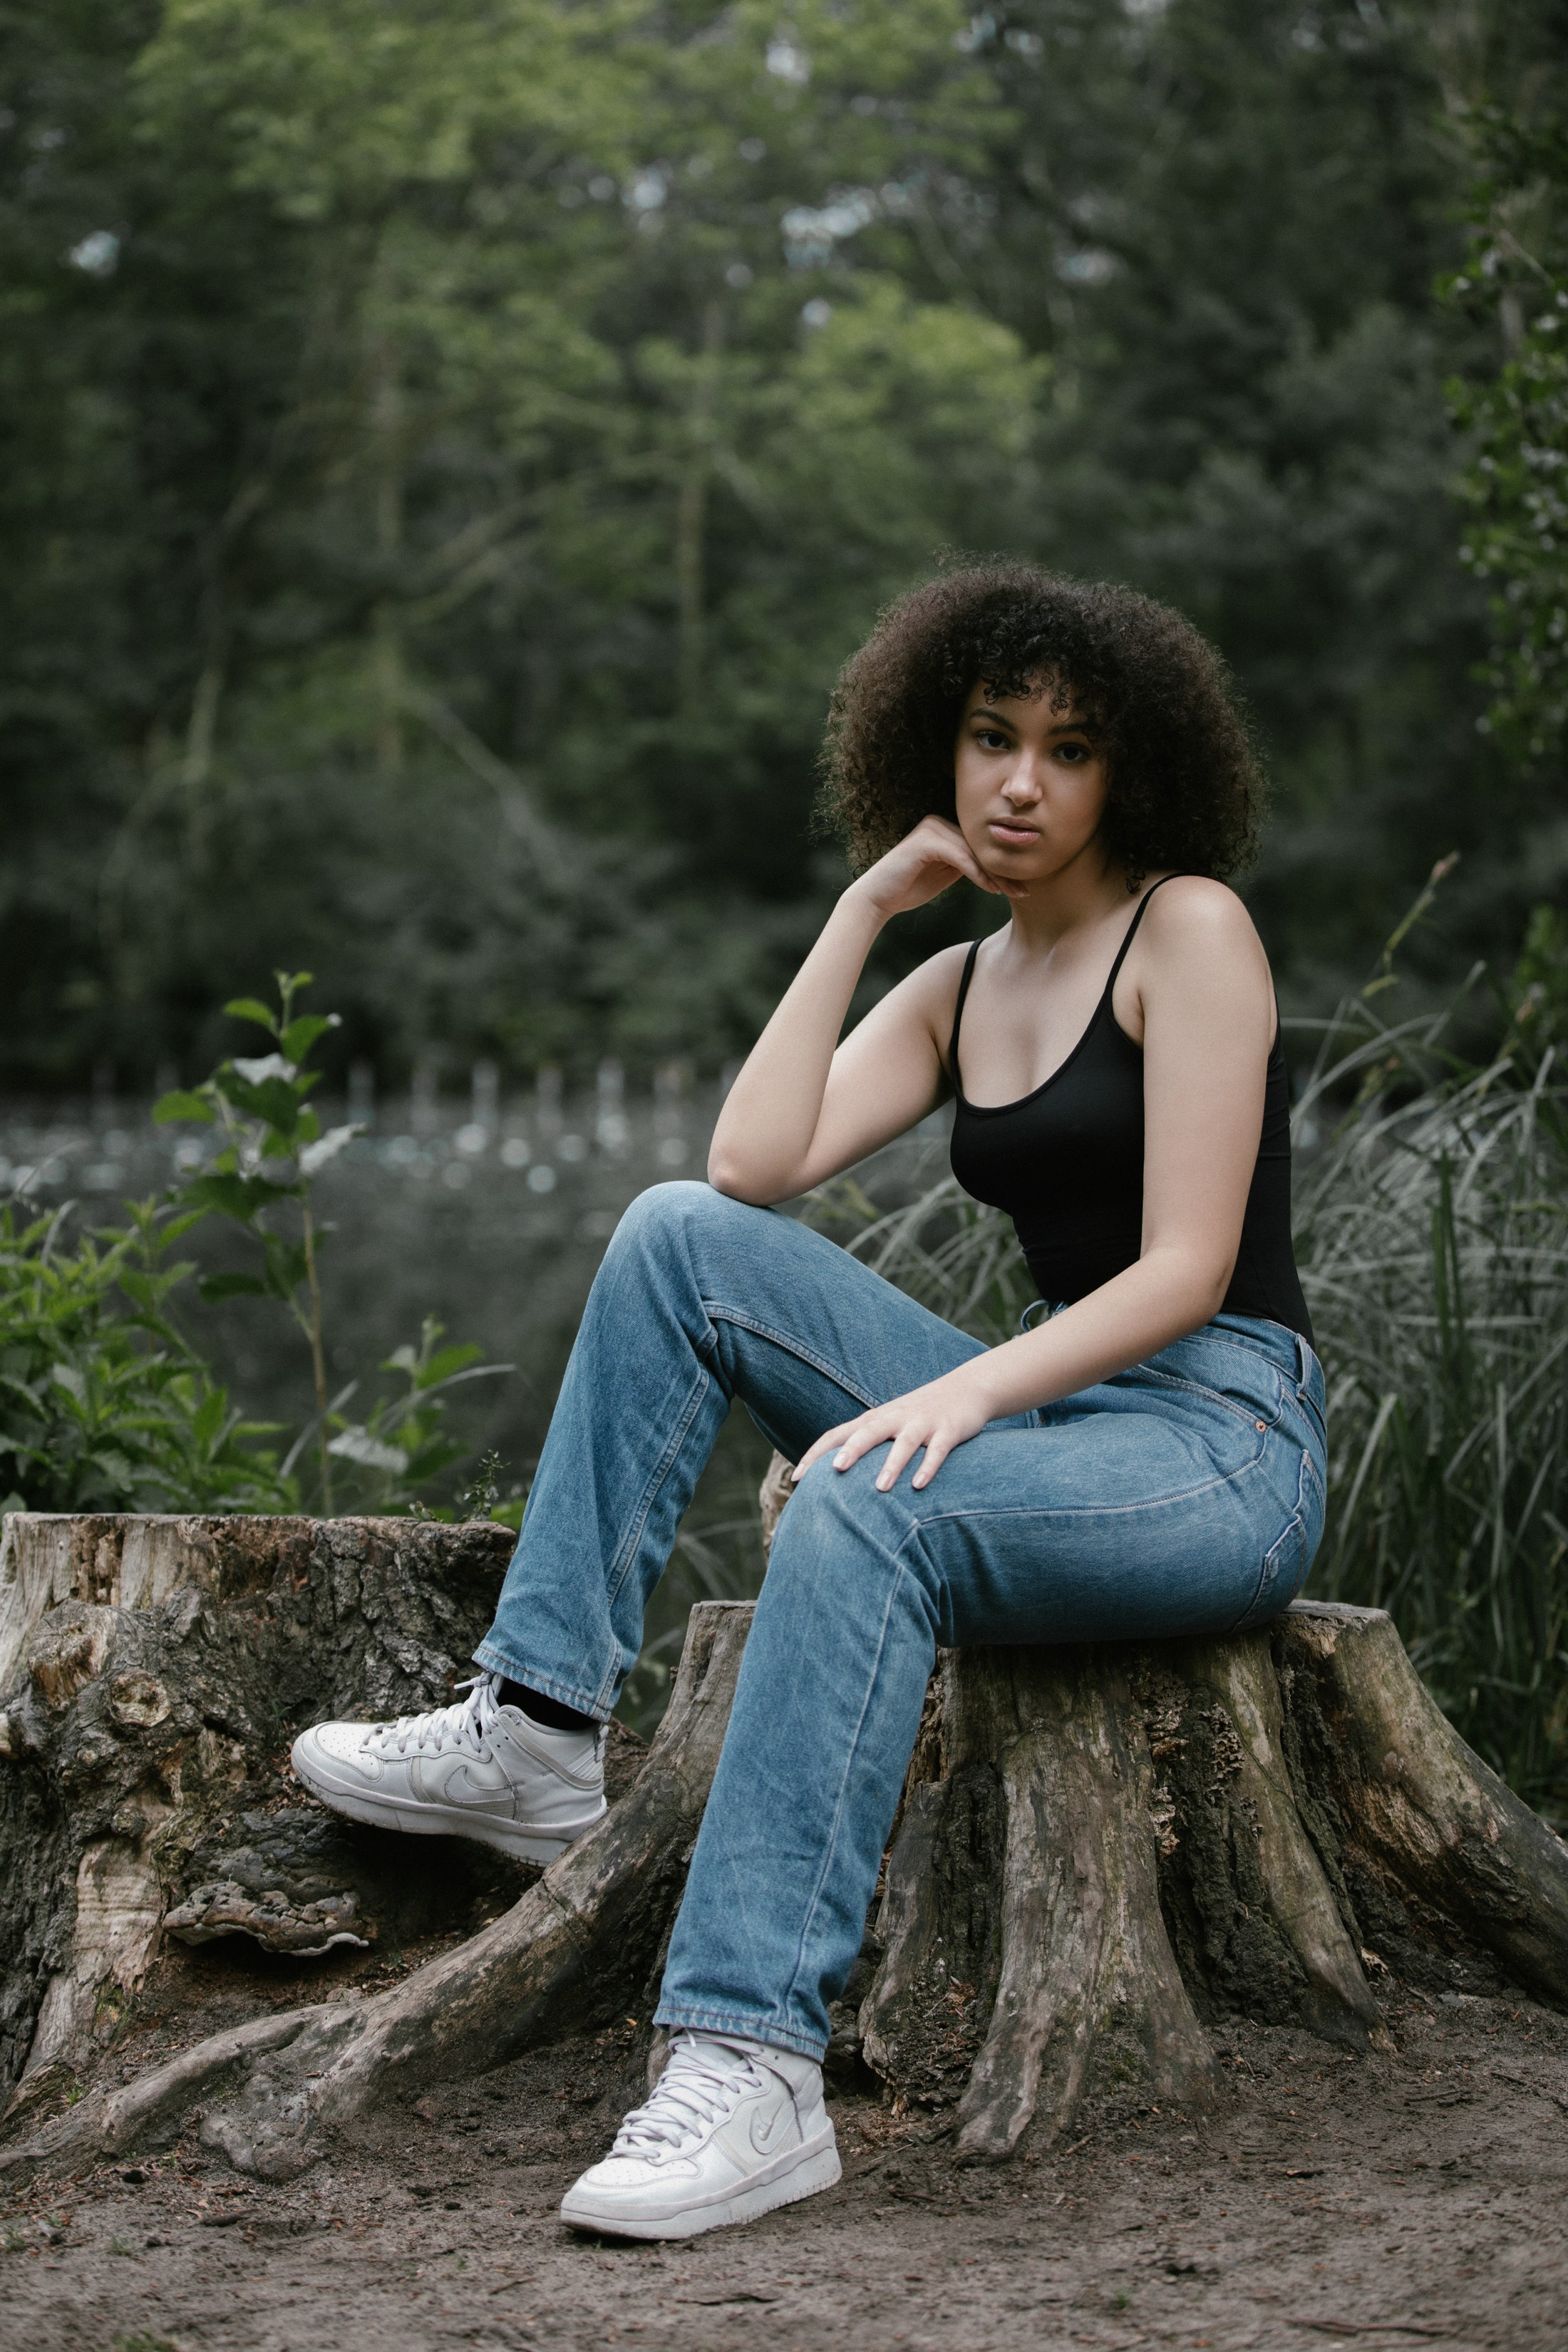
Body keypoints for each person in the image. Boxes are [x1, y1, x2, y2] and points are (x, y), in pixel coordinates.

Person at [292, 563, 1326, 2243]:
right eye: (990, 737)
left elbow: (1185, 1270)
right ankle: (539, 1728)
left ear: (1126, 772)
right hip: (1059, 1412)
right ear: (934, 742)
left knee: (869, 1492)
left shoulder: (1185, 926)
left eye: (1065, 752)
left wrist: (955, 1408)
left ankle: (748, 2068)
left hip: (1214, 1439)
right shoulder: (957, 983)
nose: (1016, 783)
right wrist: (864, 913)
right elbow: (747, 1165)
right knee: (674, 1238)